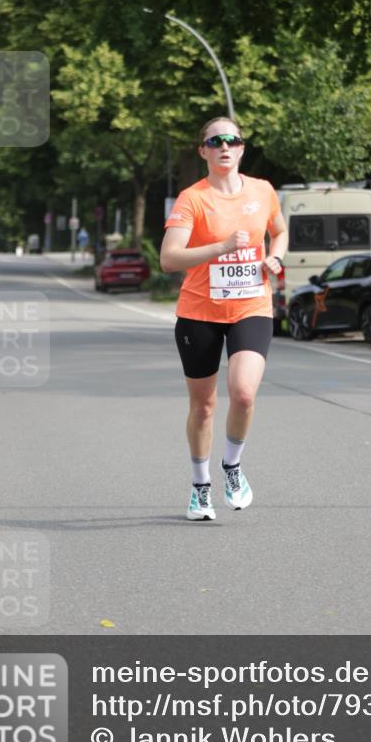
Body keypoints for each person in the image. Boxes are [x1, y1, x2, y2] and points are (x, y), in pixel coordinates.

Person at [160, 117, 288, 521]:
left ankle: (232, 466)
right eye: (215, 141)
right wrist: (219, 247)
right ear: (204, 151)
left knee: (244, 393)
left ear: (242, 149)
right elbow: (168, 258)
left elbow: (280, 231)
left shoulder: (263, 191)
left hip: (251, 306)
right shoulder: (192, 199)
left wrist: (276, 257)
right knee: (204, 406)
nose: (225, 146)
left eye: (232, 140)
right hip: (199, 312)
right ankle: (201, 488)